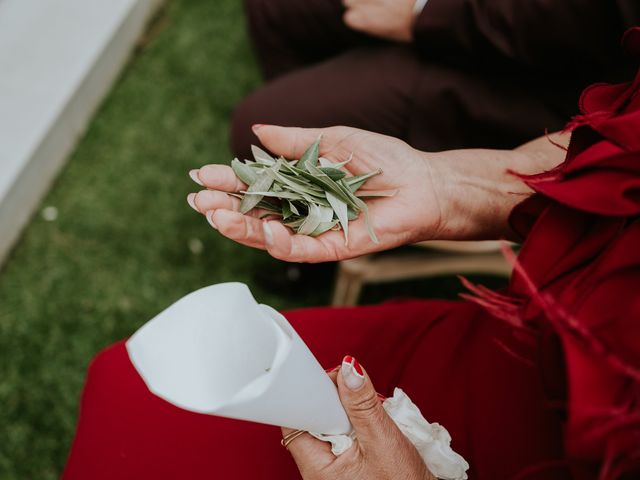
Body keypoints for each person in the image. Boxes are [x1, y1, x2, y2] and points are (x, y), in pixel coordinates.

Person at [63, 28, 640, 480]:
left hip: (584, 441)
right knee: (128, 377)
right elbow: (617, 144)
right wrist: (445, 186)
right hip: (532, 342)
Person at [231, 0, 638, 161]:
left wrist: (422, 13)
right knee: (276, 7)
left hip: (550, 79)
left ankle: (319, 220)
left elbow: (578, 22)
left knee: (265, 127)